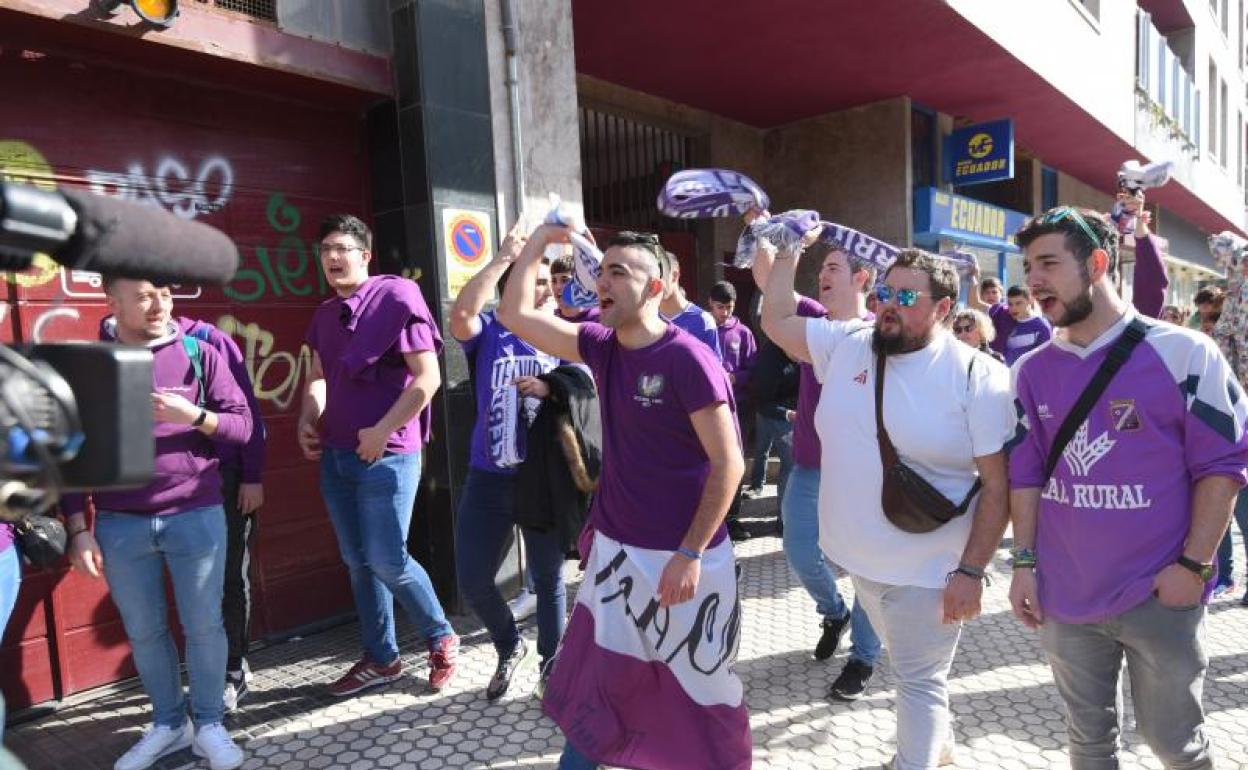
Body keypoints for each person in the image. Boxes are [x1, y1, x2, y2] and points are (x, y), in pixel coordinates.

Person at [499, 225, 749, 770]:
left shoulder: (688, 359)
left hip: (686, 563)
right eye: (601, 269)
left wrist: (689, 554)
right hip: (615, 557)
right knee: (598, 689)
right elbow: (515, 315)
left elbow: (730, 465)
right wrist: (541, 241)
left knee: (700, 695)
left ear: (656, 287)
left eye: (620, 272)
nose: (602, 282)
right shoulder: (600, 344)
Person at [1008, 205, 1248, 770]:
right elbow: (1026, 473)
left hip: (1159, 596)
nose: (1033, 280)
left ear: (1095, 262)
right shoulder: (1031, 371)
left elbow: (1224, 465)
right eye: (1027, 266)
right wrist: (1023, 562)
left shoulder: (1186, 353)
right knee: (1088, 746)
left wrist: (1192, 567)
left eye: (1048, 263)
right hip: (1065, 601)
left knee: (1176, 748)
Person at [763, 245, 1014, 770]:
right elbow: (778, 320)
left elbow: (999, 487)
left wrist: (972, 571)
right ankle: (939, 750)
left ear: (943, 309)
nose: (887, 307)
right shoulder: (851, 343)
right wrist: (785, 252)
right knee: (917, 674)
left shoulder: (978, 377)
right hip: (859, 564)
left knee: (918, 682)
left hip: (930, 575)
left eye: (904, 297)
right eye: (883, 294)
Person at [64, 278, 253, 770]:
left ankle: (209, 723)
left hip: (196, 513)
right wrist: (76, 526)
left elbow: (242, 424)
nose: (158, 304)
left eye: (166, 294)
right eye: (144, 295)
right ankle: (170, 724)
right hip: (120, 524)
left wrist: (196, 416)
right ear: (112, 301)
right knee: (145, 632)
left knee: (204, 626)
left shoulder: (200, 350)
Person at [299, 214, 459, 698]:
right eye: (326, 248)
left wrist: (382, 431)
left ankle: (440, 635)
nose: (333, 257)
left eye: (343, 247)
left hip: (387, 454)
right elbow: (320, 376)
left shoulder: (396, 299)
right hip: (338, 456)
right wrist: (308, 416)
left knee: (388, 559)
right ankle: (382, 658)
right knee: (358, 561)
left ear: (366, 254)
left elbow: (427, 379)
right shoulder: (325, 315)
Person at [97, 310, 267, 713]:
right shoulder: (105, 346)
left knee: (227, 581)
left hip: (218, 480)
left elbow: (246, 415)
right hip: (135, 504)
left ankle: (232, 672)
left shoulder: (204, 341)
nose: (152, 301)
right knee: (155, 614)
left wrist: (252, 475)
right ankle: (173, 702)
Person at [744, 220, 882, 702]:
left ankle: (864, 656)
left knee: (868, 566)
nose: (823, 273)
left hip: (863, 474)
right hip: (808, 464)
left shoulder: (879, 335)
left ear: (862, 277)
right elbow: (769, 283)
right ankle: (834, 612)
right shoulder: (813, 320)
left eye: (833, 266)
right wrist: (764, 230)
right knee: (801, 550)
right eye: (820, 267)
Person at [448, 224, 566, 700]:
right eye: (525, 279)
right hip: (490, 476)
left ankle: (552, 668)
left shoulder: (567, 333)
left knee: (547, 579)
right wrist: (503, 257)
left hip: (544, 480)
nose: (536, 288)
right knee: (473, 577)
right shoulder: (492, 330)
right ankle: (508, 643)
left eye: (542, 280)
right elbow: (459, 314)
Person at [748, 338, 798, 524]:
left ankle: (784, 518)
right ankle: (783, 520)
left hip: (791, 410)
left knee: (790, 464)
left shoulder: (802, 351)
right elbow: (762, 400)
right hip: (771, 410)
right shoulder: (768, 359)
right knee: (764, 451)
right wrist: (787, 414)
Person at [659, 255, 722, 358]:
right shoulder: (645, 318)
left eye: (659, 276)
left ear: (675, 276)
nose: (654, 282)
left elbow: (715, 369)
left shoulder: (703, 320)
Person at [1000, 285, 1052, 365]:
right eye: (1010, 304)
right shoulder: (1007, 321)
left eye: (1018, 303)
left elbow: (1047, 358)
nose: (1013, 308)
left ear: (1030, 301)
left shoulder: (1041, 326)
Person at [968, 275, 1011, 356]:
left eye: (994, 292)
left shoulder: (1004, 309)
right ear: (981, 296)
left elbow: (973, 302)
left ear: (1001, 294)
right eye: (987, 293)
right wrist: (974, 276)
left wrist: (975, 275)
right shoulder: (979, 313)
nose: (991, 296)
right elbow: (973, 302)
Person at [551, 253, 601, 324]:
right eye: (554, 281)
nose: (558, 286)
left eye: (565, 280)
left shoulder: (599, 319)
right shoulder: (551, 320)